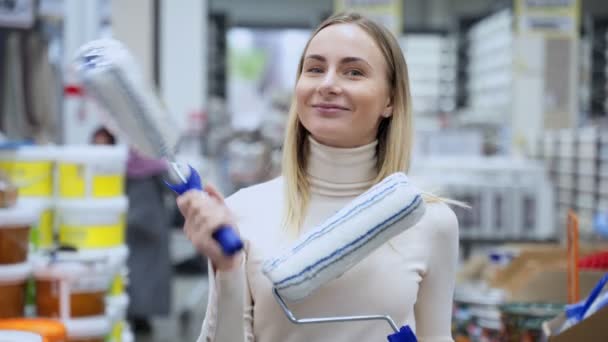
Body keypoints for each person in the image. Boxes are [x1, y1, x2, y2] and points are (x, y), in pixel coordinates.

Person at [177, 12, 459, 342]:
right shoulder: (243, 213)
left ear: (390, 100)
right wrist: (227, 269)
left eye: (353, 72)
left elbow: (437, 337)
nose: (327, 84)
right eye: (314, 69)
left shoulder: (432, 222)